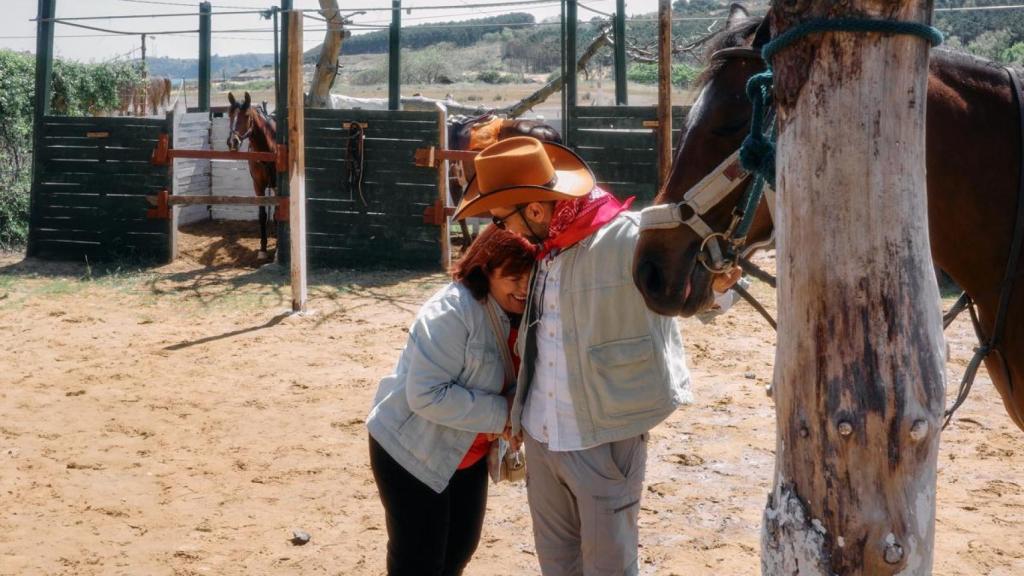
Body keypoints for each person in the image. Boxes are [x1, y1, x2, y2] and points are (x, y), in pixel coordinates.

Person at [451, 137, 741, 576]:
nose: (501, 231)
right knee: (558, 566)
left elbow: (698, 296)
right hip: (543, 436)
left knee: (610, 567)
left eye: (501, 219)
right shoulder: (547, 250)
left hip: (604, 437)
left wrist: (717, 289)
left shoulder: (630, 237)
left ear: (533, 210)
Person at [366, 226, 536, 576]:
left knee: (459, 549)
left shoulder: (525, 314)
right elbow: (427, 394)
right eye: (514, 276)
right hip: (410, 451)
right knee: (419, 560)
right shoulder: (452, 310)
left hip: (465, 453)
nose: (524, 287)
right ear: (486, 268)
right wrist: (505, 414)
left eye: (530, 277)